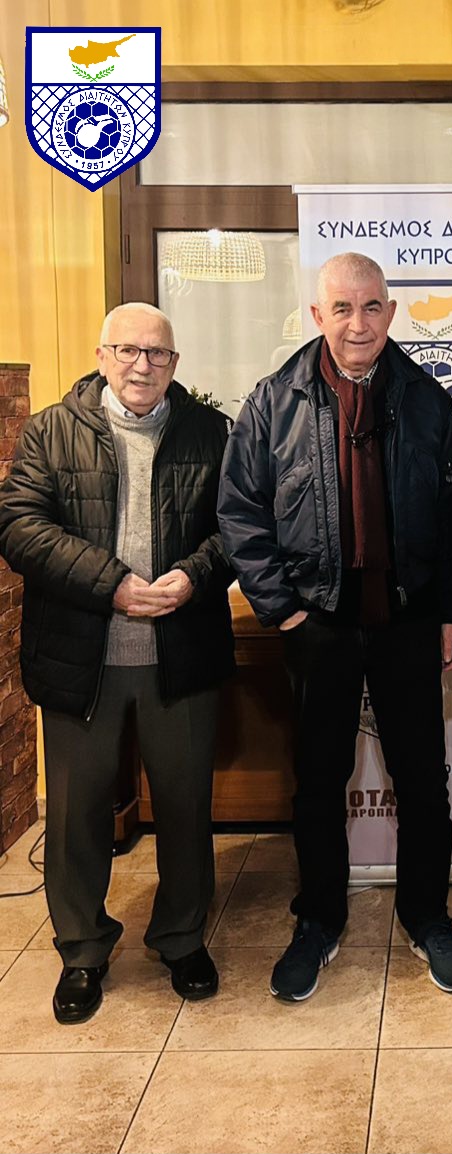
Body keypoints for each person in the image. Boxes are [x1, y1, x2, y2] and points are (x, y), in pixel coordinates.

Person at [218, 252, 452, 1001]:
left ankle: (427, 916)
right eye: (342, 308)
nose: (357, 323)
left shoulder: (427, 399)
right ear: (317, 315)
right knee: (318, 783)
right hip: (318, 624)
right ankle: (319, 920)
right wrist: (283, 608)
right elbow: (240, 512)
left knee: (422, 780)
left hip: (408, 620)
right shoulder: (274, 401)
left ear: (390, 313)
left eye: (370, 307)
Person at [0, 303, 235, 1024]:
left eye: (157, 353)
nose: (142, 365)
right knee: (75, 815)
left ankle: (182, 939)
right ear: (102, 356)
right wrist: (113, 585)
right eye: (128, 350)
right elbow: (18, 525)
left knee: (187, 808)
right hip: (81, 658)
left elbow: (239, 527)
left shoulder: (210, 432)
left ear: (175, 363)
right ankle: (82, 951)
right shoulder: (50, 430)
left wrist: (193, 575)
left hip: (180, 653)